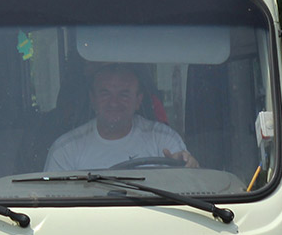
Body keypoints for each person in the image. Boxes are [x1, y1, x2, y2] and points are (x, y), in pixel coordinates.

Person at [44, 63, 199, 171]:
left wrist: (188, 166)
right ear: (93, 99)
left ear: (139, 100)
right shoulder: (65, 149)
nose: (114, 102)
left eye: (124, 94)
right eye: (105, 94)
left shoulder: (164, 140)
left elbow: (191, 185)